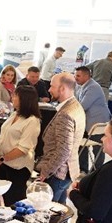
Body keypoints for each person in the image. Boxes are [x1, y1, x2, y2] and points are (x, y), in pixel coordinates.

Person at [36, 72, 86, 203]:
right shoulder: (76, 106)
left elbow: (63, 150)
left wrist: (46, 171)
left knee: (47, 211)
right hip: (67, 171)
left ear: (62, 88)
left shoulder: (66, 114)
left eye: (52, 86)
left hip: (57, 173)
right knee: (59, 210)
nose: (49, 90)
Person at [0, 85, 41, 205]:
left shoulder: (32, 121)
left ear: (24, 99)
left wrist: (2, 159)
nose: (12, 98)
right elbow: (4, 135)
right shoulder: (15, 114)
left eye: (15, 96)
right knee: (1, 201)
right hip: (4, 164)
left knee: (13, 201)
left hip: (18, 167)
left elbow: (23, 148)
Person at [74, 66, 111, 173]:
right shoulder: (82, 86)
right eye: (75, 75)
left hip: (98, 122)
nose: (75, 78)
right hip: (87, 122)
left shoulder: (93, 87)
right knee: (81, 145)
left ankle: (96, 172)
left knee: (97, 149)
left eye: (78, 76)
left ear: (87, 76)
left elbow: (82, 106)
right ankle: (83, 169)